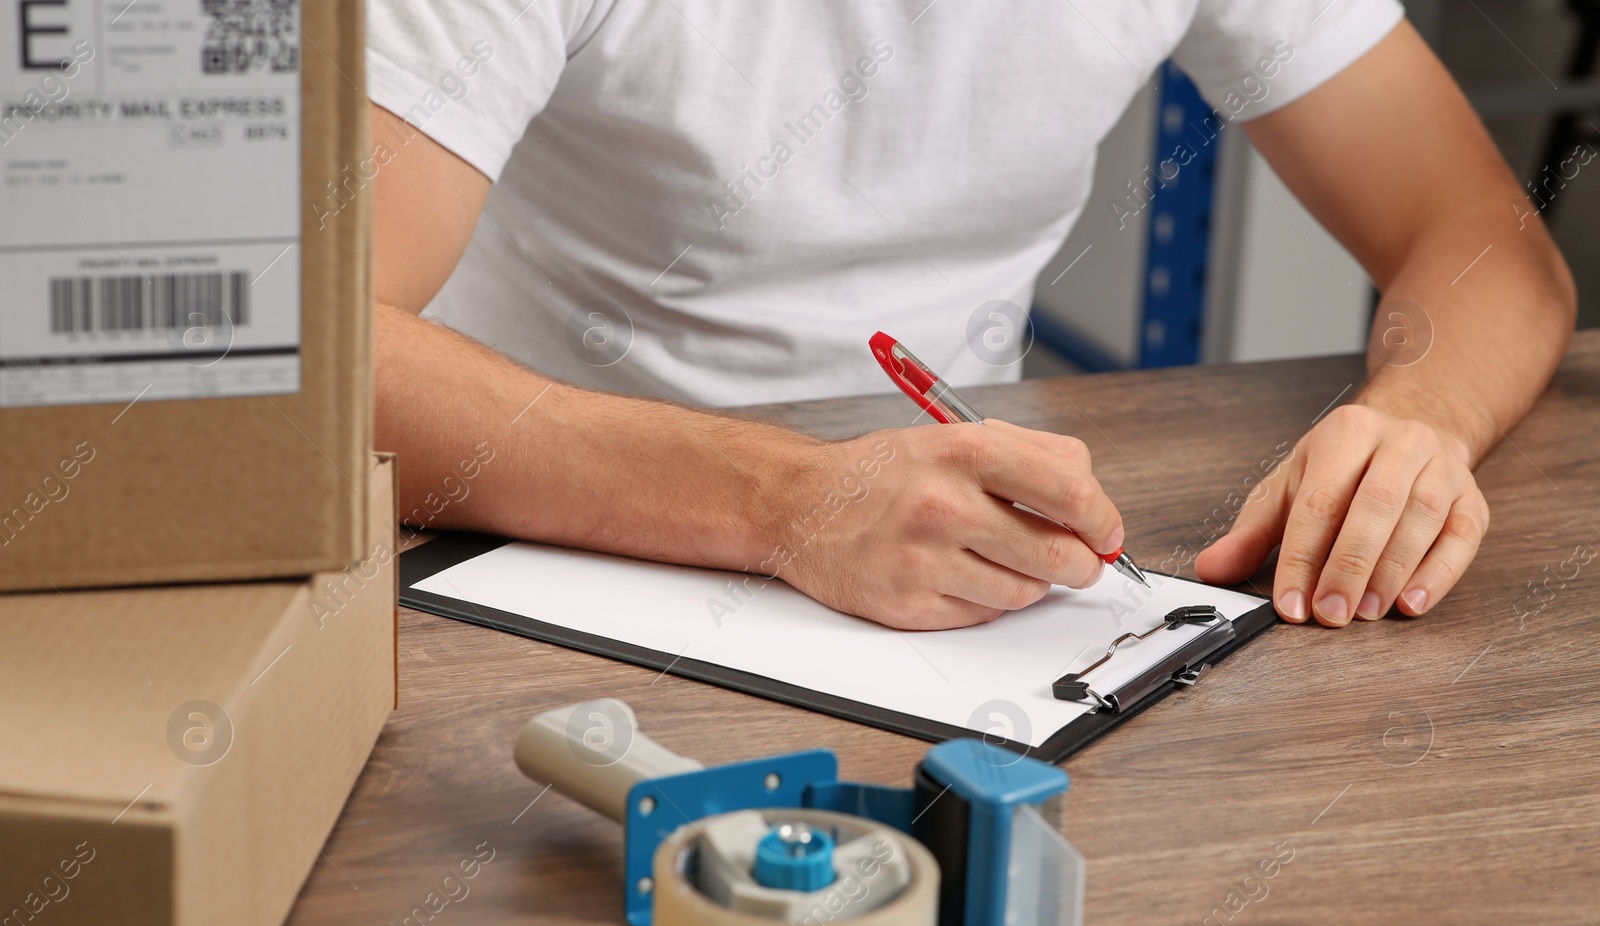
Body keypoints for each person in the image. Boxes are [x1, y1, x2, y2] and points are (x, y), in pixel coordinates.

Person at [365, 1, 1574, 630]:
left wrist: (1419, 415)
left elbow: (1484, 243)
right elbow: (312, 348)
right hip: (527, 543)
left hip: (949, 569)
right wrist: (787, 502)